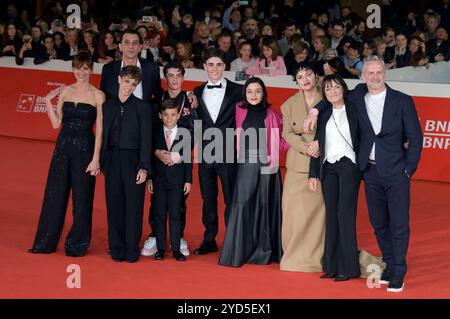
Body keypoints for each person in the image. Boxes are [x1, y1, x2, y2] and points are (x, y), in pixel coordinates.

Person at [304, 55, 423, 292]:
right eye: (370, 73)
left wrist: (408, 169)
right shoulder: (357, 95)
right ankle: (389, 263)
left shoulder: (402, 101)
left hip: (397, 171)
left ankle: (398, 269)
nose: (375, 77)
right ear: (363, 75)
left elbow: (416, 139)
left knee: (398, 223)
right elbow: (332, 97)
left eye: (379, 72)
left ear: (384, 74)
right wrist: (315, 112)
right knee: (378, 222)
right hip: (369, 170)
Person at [28, 50, 104, 256]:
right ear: (73, 69)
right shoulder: (65, 92)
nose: (81, 72)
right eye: (78, 68)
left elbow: (100, 132)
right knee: (55, 194)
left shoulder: (98, 95)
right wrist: (47, 102)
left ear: (91, 70)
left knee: (82, 197)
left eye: (85, 68)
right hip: (62, 148)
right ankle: (45, 242)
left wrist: (96, 158)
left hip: (85, 149)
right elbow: (56, 124)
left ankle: (77, 245)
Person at [219, 77, 289, 267]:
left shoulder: (273, 115)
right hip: (245, 163)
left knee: (264, 206)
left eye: (258, 91)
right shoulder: (238, 110)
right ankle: (238, 251)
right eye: (250, 91)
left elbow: (281, 142)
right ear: (244, 94)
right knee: (241, 203)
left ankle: (263, 251)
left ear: (263, 93)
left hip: (268, 165)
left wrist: (298, 142)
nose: (253, 95)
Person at [141, 61, 198, 258]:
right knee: (156, 202)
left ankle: (177, 237)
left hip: (179, 164)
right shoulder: (157, 100)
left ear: (183, 77)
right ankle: (155, 236)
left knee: (178, 204)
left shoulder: (191, 101)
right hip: (158, 165)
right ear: (165, 78)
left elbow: (196, 130)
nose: (174, 79)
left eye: (178, 75)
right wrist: (155, 152)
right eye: (170, 76)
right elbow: (149, 133)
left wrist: (179, 154)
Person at [308, 74, 361, 281]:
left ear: (343, 88)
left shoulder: (355, 107)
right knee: (331, 216)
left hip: (349, 166)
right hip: (328, 168)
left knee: (345, 215)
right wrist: (313, 174)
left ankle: (348, 268)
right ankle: (330, 265)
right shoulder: (324, 112)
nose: (332, 92)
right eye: (328, 89)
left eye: (336, 87)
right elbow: (316, 144)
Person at [193, 47, 244, 255]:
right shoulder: (195, 93)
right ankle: (209, 238)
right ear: (204, 66)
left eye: (219, 64)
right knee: (208, 198)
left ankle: (233, 240)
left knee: (231, 198)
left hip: (230, 153)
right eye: (210, 64)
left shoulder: (238, 90)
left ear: (225, 66)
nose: (215, 68)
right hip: (205, 153)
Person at [100, 65, 152, 263]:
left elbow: (146, 139)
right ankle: (116, 247)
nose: (129, 86)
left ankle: (131, 248)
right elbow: (102, 135)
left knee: (133, 205)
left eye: (134, 83)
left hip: (133, 160)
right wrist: (103, 161)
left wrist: (144, 166)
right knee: (114, 204)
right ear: (119, 79)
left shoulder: (142, 107)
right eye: (127, 81)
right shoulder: (107, 106)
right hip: (112, 159)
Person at [280, 62, 325, 272]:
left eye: (309, 74)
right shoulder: (288, 104)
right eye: (300, 77)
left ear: (317, 77)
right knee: (292, 212)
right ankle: (293, 257)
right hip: (297, 164)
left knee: (319, 214)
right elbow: (287, 133)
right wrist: (307, 148)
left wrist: (320, 144)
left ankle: (318, 256)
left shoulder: (329, 98)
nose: (305, 79)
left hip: (324, 163)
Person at [148, 98, 193, 262]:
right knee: (159, 214)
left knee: (175, 214)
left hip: (177, 180)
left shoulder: (185, 132)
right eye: (166, 115)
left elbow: (187, 157)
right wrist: (150, 178)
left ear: (178, 115)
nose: (169, 118)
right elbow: (150, 156)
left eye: (173, 115)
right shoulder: (155, 131)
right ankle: (160, 249)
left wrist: (188, 180)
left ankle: (176, 249)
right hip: (159, 180)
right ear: (160, 115)